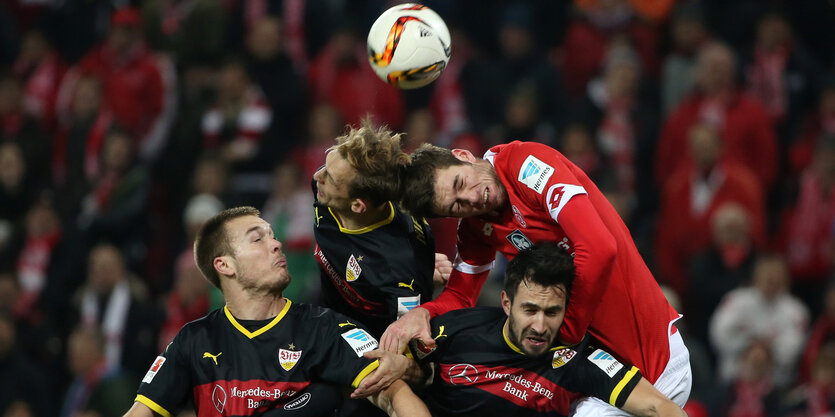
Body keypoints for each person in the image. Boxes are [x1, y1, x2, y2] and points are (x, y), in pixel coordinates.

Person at [381, 140, 692, 415]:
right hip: (596, 377)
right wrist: (423, 313)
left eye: (461, 182)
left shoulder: (525, 164)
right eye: (457, 205)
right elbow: (461, 297)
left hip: (653, 362)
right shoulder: (476, 227)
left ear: (463, 155)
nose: (471, 199)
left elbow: (599, 248)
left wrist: (563, 335)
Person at [122, 206, 430, 417]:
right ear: (224, 265)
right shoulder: (193, 340)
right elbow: (142, 411)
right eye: (258, 239)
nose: (277, 244)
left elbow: (395, 394)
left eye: (272, 235)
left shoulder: (325, 329)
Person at [406, 241, 687, 417]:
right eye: (529, 310)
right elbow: (398, 372)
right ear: (506, 302)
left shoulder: (577, 359)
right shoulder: (457, 330)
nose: (540, 326)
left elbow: (660, 407)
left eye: (552, 312)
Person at [312, 120, 449, 339]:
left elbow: (408, 344)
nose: (317, 177)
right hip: (327, 310)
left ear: (357, 205)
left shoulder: (400, 269)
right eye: (325, 166)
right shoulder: (326, 188)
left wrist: (421, 277)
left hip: (368, 341)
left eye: (330, 177)